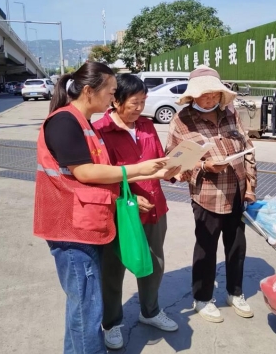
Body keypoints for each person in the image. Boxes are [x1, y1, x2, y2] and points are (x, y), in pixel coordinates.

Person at [33, 62, 173, 354]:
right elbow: (85, 173)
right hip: (71, 229)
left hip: (87, 223)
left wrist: (146, 175)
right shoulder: (65, 122)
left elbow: (100, 174)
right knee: (86, 310)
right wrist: (137, 170)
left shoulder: (83, 124)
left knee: (86, 306)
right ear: (88, 91)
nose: (112, 98)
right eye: (110, 92)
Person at [94, 74, 180, 350]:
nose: (140, 108)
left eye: (143, 102)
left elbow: (157, 163)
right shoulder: (100, 131)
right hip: (121, 211)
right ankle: (112, 322)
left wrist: (176, 170)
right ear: (116, 100)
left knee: (154, 264)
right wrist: (124, 195)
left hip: (155, 207)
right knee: (113, 269)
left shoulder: (146, 125)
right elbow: (98, 175)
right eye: (134, 102)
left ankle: (150, 311)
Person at [166, 65, 257, 323]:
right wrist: (205, 166)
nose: (210, 99)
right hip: (207, 196)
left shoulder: (230, 112)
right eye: (204, 95)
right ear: (193, 95)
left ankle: (235, 292)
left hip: (237, 192)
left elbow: (248, 149)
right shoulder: (182, 121)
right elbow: (173, 166)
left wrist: (250, 187)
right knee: (206, 249)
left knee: (237, 247)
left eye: (214, 94)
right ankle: (203, 298)